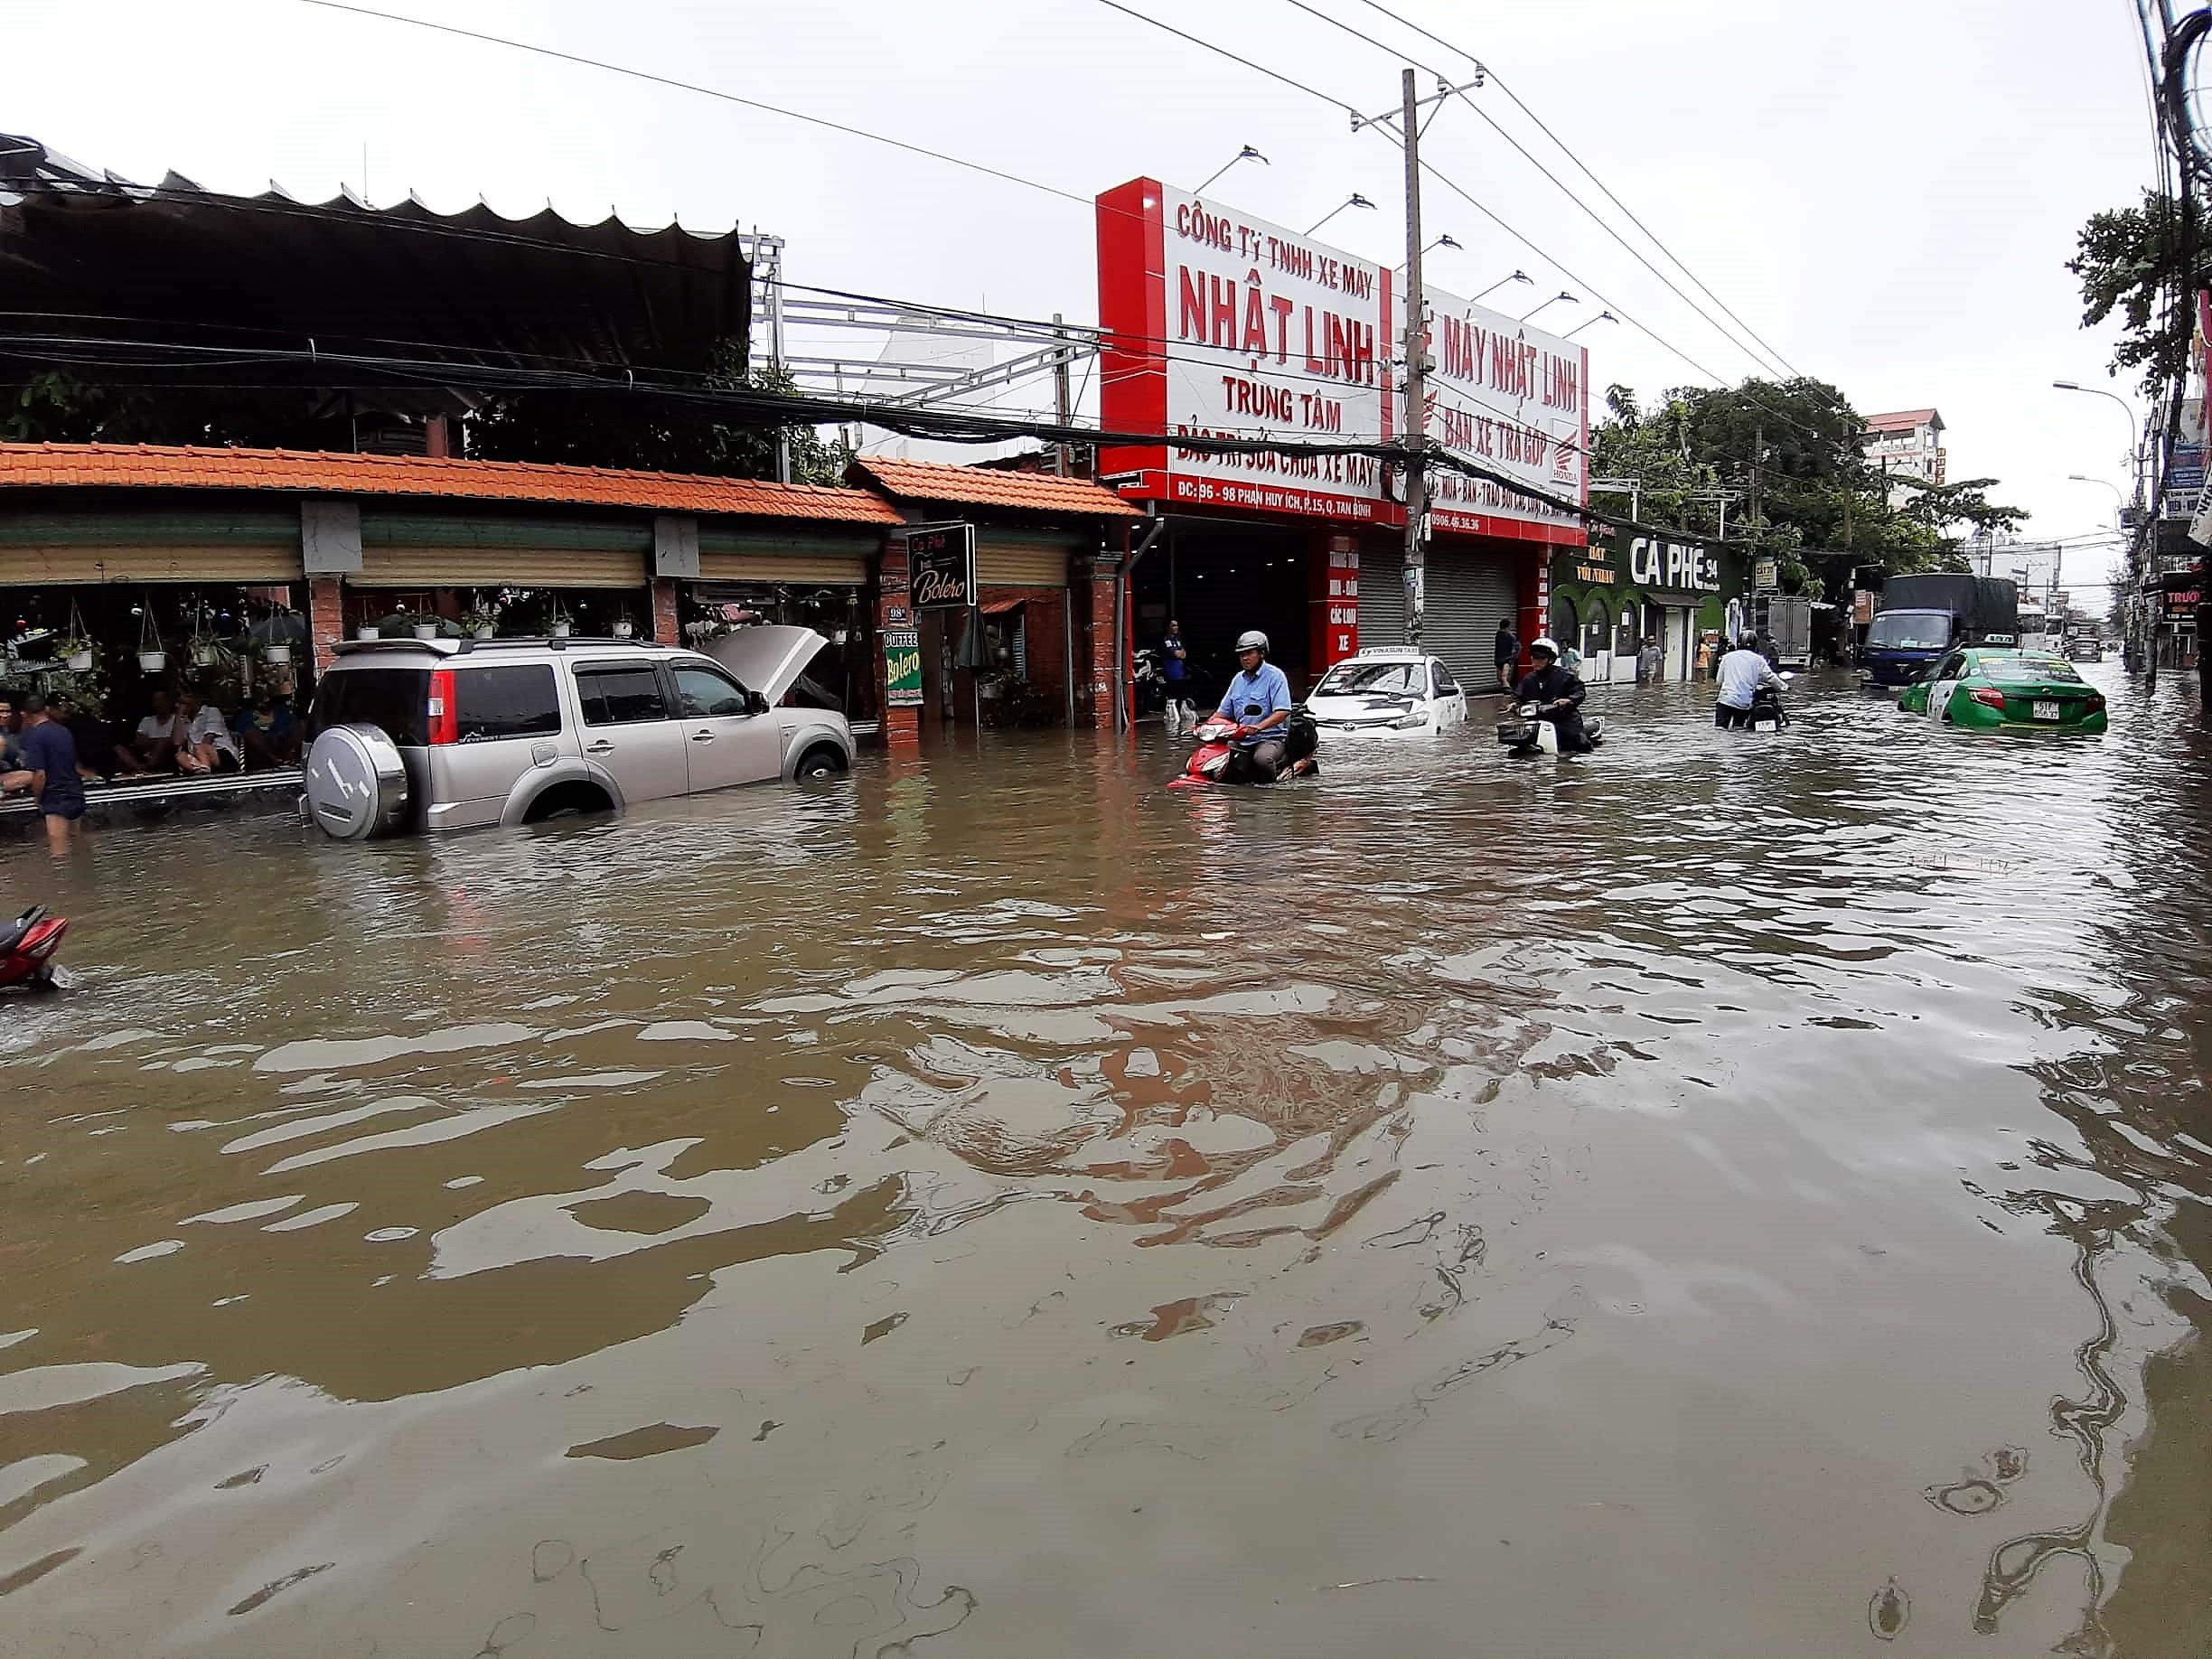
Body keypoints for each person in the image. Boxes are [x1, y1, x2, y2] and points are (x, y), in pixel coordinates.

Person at [1214, 629, 1296, 782]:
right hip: (1241, 739)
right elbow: (1223, 712)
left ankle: (1270, 793)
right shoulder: (1237, 679)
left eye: (1249, 653)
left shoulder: (1275, 676)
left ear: (1262, 654)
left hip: (1270, 738)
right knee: (1218, 759)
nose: (1245, 658)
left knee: (1262, 760)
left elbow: (1283, 711)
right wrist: (1203, 727)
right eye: (1241, 654)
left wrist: (1259, 727)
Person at [16, 695, 87, 850]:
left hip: (56, 798)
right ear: (45, 710)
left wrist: (38, 798)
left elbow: (39, 774)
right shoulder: (64, 731)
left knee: (59, 854)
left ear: (24, 714)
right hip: (76, 793)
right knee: (77, 847)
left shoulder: (35, 736)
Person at [1505, 638, 1591, 752]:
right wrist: (1513, 704)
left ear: (1550, 659)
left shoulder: (1566, 676)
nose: (1536, 662)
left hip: (1564, 721)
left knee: (1581, 744)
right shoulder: (1528, 679)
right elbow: (1518, 696)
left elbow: (1579, 691)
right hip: (1536, 721)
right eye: (1534, 658)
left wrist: (1568, 701)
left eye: (1541, 658)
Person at [1714, 631, 1786, 728]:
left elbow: (1719, 681)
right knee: (1739, 729)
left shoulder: (1727, 657)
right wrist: (1783, 686)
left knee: (1720, 729)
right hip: (1743, 702)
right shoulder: (1758, 660)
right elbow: (1770, 677)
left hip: (1725, 700)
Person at [176, 688, 242, 774]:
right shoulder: (184, 720)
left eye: (184, 702)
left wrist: (195, 755)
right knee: (180, 756)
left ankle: (205, 775)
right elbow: (176, 742)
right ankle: (201, 770)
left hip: (223, 754)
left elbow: (208, 739)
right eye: (180, 703)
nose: (181, 705)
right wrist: (178, 716)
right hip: (197, 756)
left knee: (199, 747)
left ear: (196, 700)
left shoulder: (212, 712)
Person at [119, 689, 183, 776]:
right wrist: (159, 742)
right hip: (144, 754)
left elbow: (176, 742)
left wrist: (160, 743)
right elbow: (138, 741)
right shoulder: (146, 720)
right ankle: (140, 769)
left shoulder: (177, 720)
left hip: (167, 757)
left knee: (162, 744)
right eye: (156, 700)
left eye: (161, 700)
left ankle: (148, 768)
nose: (158, 704)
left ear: (168, 702)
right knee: (119, 748)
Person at [231, 690, 301, 770]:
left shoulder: (284, 713)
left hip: (290, 761)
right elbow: (249, 735)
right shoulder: (244, 717)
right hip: (259, 766)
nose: (264, 699)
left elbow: (297, 729)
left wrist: (290, 751)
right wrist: (270, 755)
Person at [1160, 619, 1195, 733]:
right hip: (1171, 672)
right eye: (1173, 625)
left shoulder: (1178, 640)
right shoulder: (1167, 640)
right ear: (1168, 627)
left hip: (1180, 672)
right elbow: (1176, 653)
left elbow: (1183, 654)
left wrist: (1180, 654)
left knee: (1183, 695)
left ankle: (1183, 719)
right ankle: (1172, 722)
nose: (1176, 628)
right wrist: (1179, 654)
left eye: (1177, 625)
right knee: (1173, 697)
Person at [1494, 615, 1519, 691]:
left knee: (1503, 677)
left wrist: (1513, 657)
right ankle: (1505, 690)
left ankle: (1509, 691)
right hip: (1499, 659)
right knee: (1500, 678)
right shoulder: (1499, 635)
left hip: (1506, 659)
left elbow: (1518, 647)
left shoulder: (1509, 636)